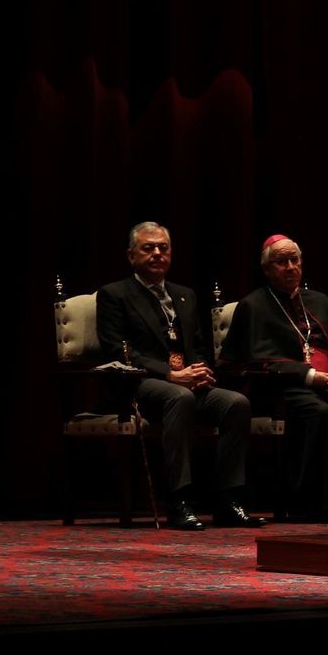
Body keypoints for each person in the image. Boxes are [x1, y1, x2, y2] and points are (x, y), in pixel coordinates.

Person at [96, 222, 267, 531]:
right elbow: (119, 351)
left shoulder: (184, 295)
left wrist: (200, 371)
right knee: (180, 396)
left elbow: (198, 346)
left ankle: (228, 499)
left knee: (235, 403)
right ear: (131, 255)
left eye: (163, 248)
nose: (157, 254)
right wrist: (172, 374)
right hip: (140, 385)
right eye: (148, 248)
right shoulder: (114, 295)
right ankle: (180, 499)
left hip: (186, 383)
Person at [221, 235, 328, 519]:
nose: (291, 267)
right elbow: (252, 361)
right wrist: (308, 376)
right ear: (267, 269)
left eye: (295, 260)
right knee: (320, 414)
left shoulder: (318, 301)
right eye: (282, 262)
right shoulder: (253, 305)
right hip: (281, 388)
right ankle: (315, 504)